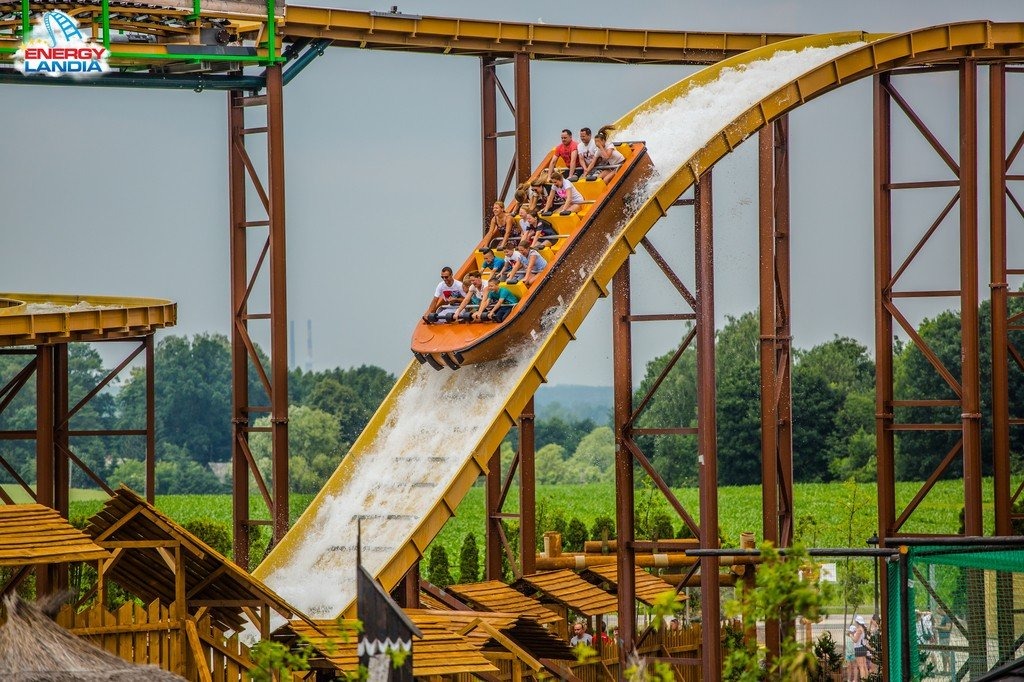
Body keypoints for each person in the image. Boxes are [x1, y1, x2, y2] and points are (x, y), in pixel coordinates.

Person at [935, 608, 952, 674]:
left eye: (939, 612)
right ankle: (945, 670)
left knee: (946, 654)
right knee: (943, 654)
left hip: (945, 638)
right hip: (942, 637)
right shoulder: (944, 617)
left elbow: (948, 628)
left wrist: (937, 627)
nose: (939, 614)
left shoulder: (947, 617)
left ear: (941, 609)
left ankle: (950, 670)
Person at [852, 616, 868, 681]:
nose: (855, 622)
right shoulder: (863, 628)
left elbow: (855, 640)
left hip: (859, 649)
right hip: (863, 648)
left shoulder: (859, 629)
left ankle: (863, 680)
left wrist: (851, 635)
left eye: (855, 621)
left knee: (861, 666)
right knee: (864, 665)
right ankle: (867, 679)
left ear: (857, 622)